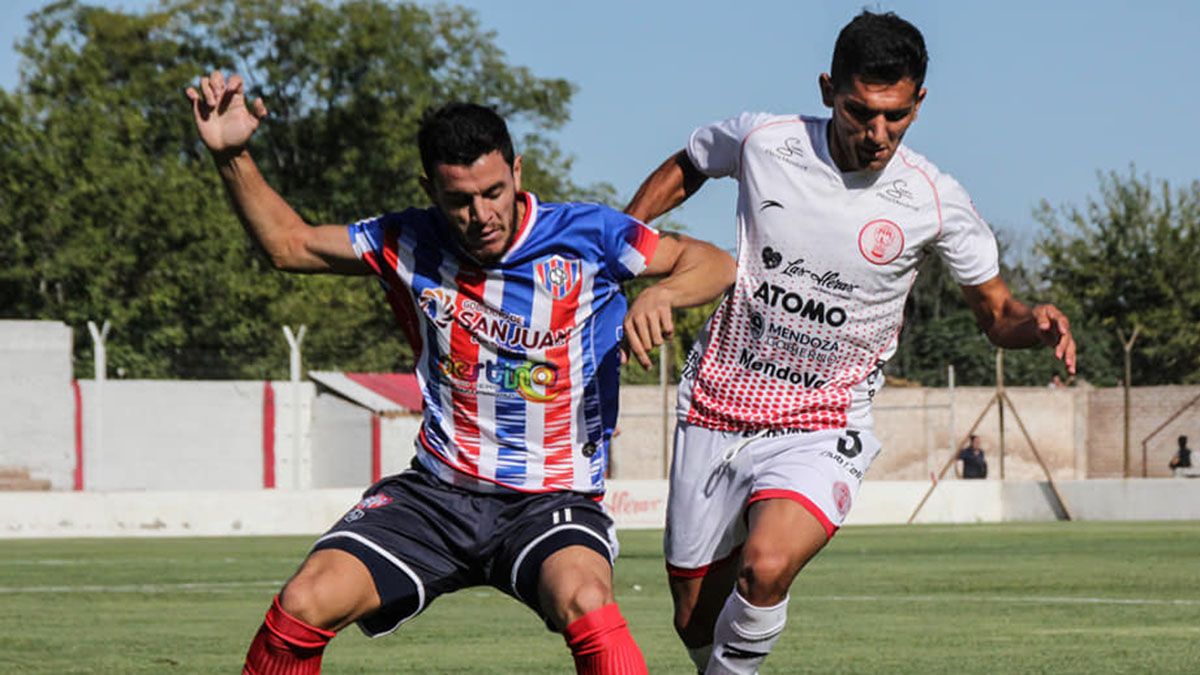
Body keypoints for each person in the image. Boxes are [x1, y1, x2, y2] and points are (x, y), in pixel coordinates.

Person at [186, 71, 736, 674]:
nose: (482, 214)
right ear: (431, 190)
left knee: (586, 601)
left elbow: (712, 263)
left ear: (517, 173)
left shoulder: (587, 236)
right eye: (459, 200)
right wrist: (234, 155)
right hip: (436, 497)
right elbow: (288, 246)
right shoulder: (408, 240)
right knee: (302, 603)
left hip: (551, 501)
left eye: (494, 191)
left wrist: (662, 297)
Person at [624, 10, 1076, 674]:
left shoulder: (934, 200)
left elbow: (996, 310)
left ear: (919, 101)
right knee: (693, 613)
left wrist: (1033, 324)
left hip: (823, 419)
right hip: (718, 403)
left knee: (766, 565)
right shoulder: (765, 141)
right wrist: (623, 237)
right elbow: (691, 161)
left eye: (895, 115)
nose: (877, 132)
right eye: (859, 111)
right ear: (827, 88)